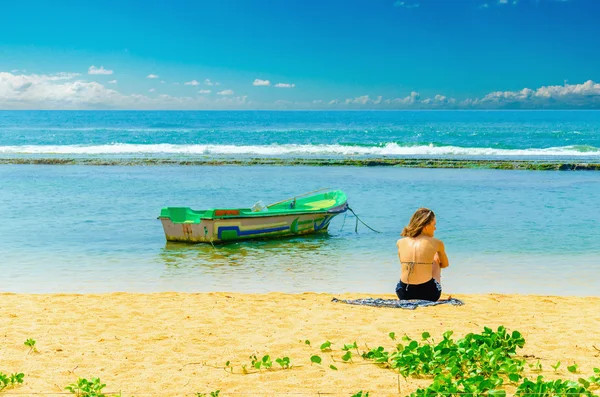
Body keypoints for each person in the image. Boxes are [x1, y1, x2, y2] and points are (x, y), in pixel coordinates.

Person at [395, 208, 449, 301]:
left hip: (403, 293)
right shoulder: (437, 243)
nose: (435, 228)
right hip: (429, 294)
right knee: (435, 259)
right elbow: (445, 264)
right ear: (426, 226)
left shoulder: (400, 242)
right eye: (434, 224)